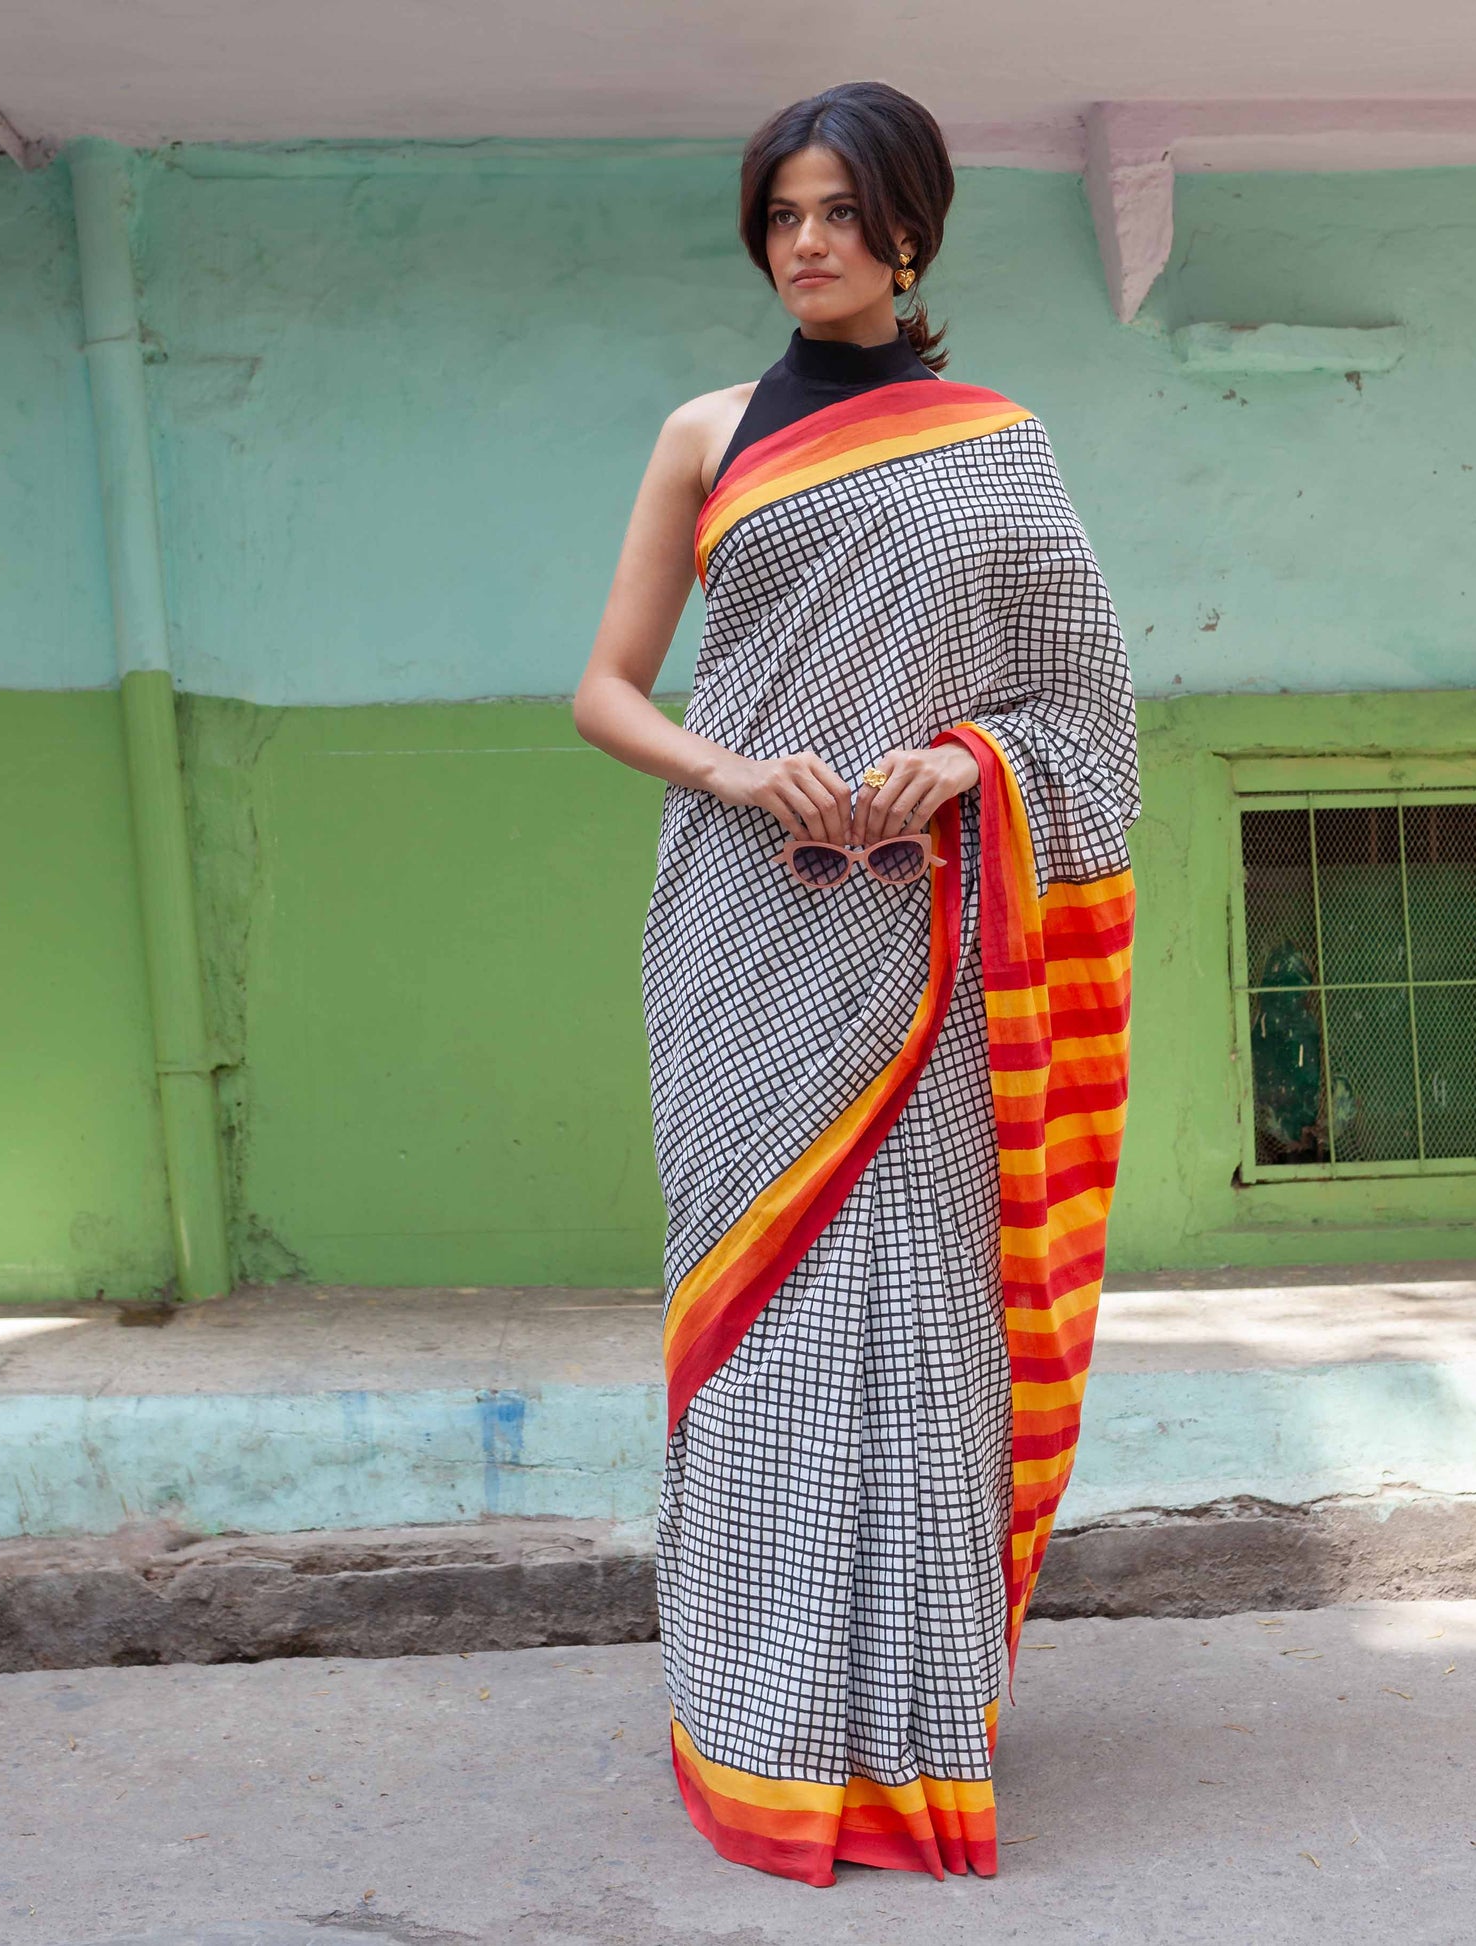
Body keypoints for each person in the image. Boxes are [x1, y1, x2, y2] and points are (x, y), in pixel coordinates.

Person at [574, 79, 1140, 1888]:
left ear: (909, 230)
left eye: (837, 212)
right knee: (754, 1323)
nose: (804, 244)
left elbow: (1086, 716)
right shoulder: (705, 431)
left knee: (916, 1324)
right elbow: (605, 688)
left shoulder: (996, 448)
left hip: (924, 937)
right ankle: (759, 1722)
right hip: (742, 926)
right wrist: (738, 771)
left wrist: (963, 762)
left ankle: (905, 1727)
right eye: (780, 214)